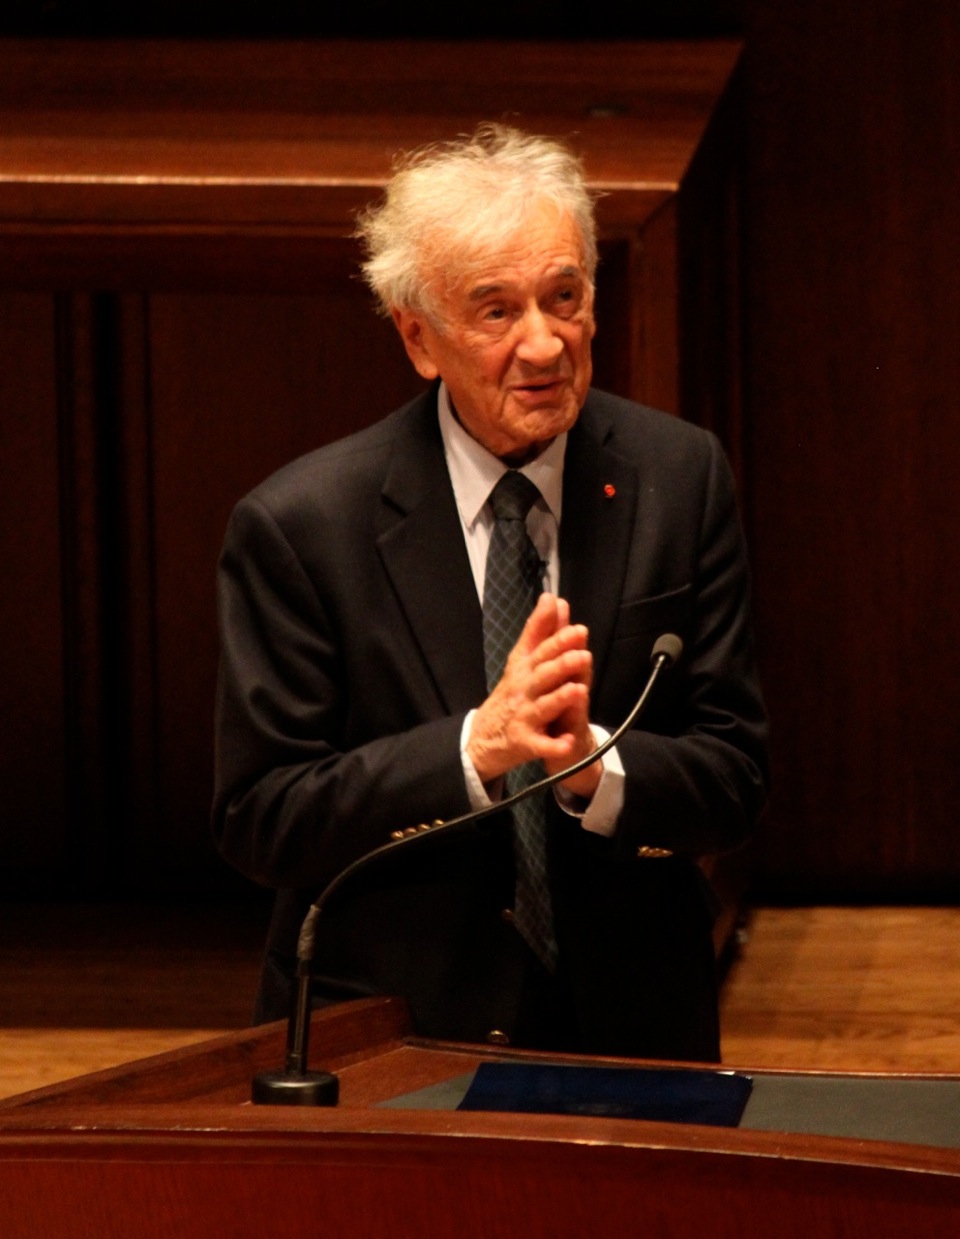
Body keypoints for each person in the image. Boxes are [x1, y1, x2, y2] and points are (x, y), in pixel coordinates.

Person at [212, 124, 768, 1063]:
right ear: (419, 338)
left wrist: (595, 768)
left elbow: (736, 775)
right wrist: (475, 748)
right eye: (497, 311)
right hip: (392, 1033)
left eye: (564, 297)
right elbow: (262, 815)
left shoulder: (681, 478)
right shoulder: (301, 527)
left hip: (632, 1028)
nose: (544, 343)